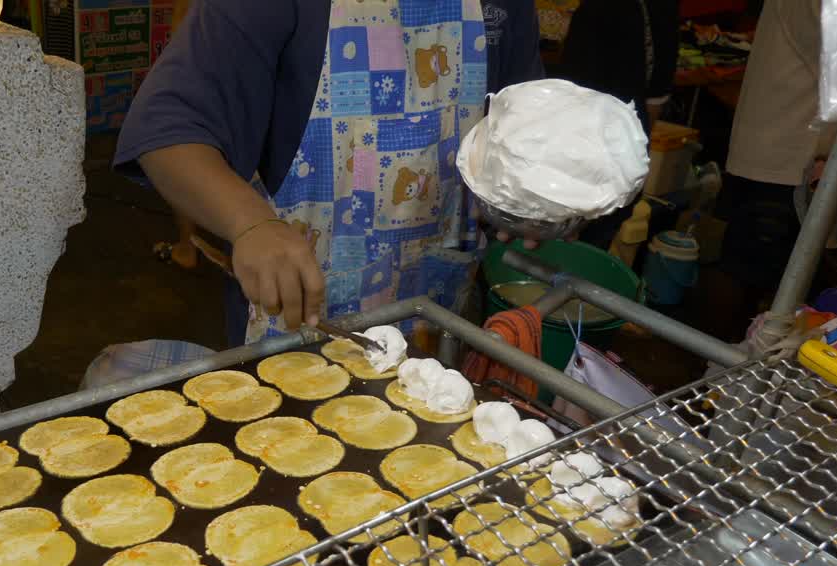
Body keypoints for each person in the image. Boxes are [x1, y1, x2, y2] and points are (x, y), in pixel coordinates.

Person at [115, 0, 545, 348]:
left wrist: (526, 195)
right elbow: (165, 128)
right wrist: (250, 223)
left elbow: (520, 125)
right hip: (297, 320)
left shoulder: (504, 7)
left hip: (439, 312)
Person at [711, 0, 832, 340]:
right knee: (753, 272)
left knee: (749, 267)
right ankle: (725, 367)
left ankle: (725, 363)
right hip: (785, 155)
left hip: (777, 147)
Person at [553, 0, 679, 250]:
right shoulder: (660, 8)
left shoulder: (595, 10)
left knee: (556, 254)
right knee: (588, 252)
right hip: (622, 158)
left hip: (577, 162)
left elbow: (569, 90)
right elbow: (657, 95)